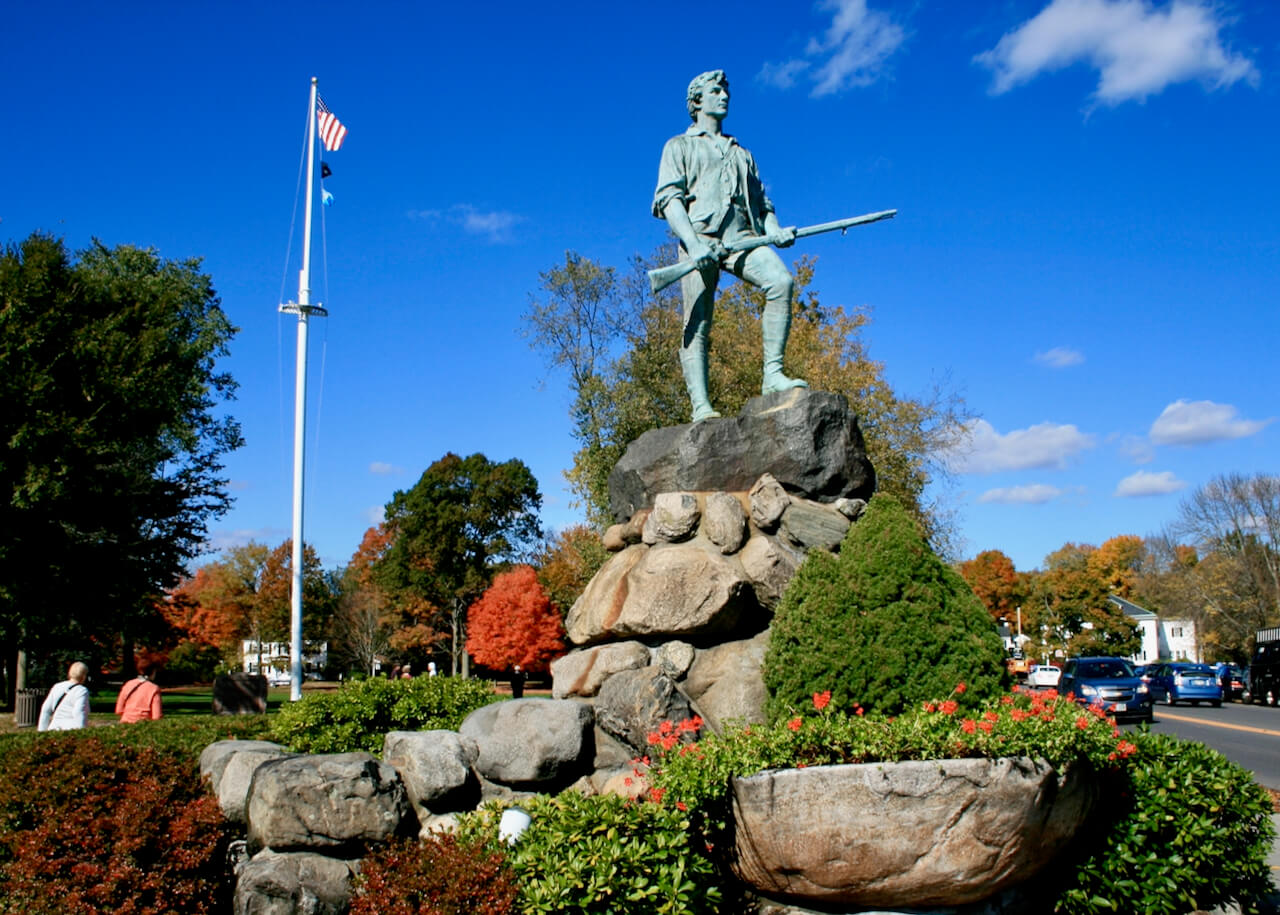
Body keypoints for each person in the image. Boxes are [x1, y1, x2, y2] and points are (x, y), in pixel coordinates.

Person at [653, 69, 805, 423]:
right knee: (699, 321)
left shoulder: (742, 153)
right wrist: (693, 245)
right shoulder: (679, 146)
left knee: (780, 282)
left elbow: (762, 204)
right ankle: (700, 405)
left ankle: (773, 374)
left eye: (726, 91)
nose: (724, 96)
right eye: (716, 91)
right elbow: (669, 201)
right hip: (700, 242)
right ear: (697, 101)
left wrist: (776, 230)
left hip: (742, 239)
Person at [37, 661, 91, 731]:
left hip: (54, 728)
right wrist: (81, 732)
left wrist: (42, 731)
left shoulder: (57, 687)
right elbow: (79, 712)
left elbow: (45, 709)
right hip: (71, 730)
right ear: (84, 676)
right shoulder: (82, 690)